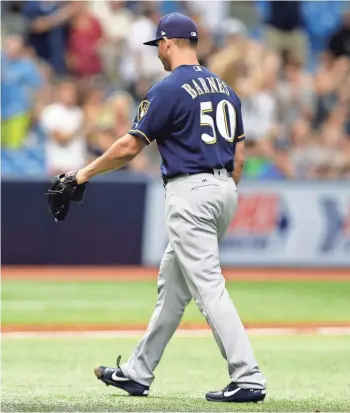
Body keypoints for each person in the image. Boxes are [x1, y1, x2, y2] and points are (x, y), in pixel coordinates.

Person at [62, 13, 267, 403]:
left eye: (158, 44)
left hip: (190, 191)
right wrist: (220, 189)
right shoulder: (225, 89)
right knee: (172, 289)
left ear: (169, 43)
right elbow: (239, 157)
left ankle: (248, 376)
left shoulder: (169, 88)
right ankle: (138, 372)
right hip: (224, 189)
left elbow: (129, 146)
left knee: (208, 286)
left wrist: (83, 174)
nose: (157, 51)